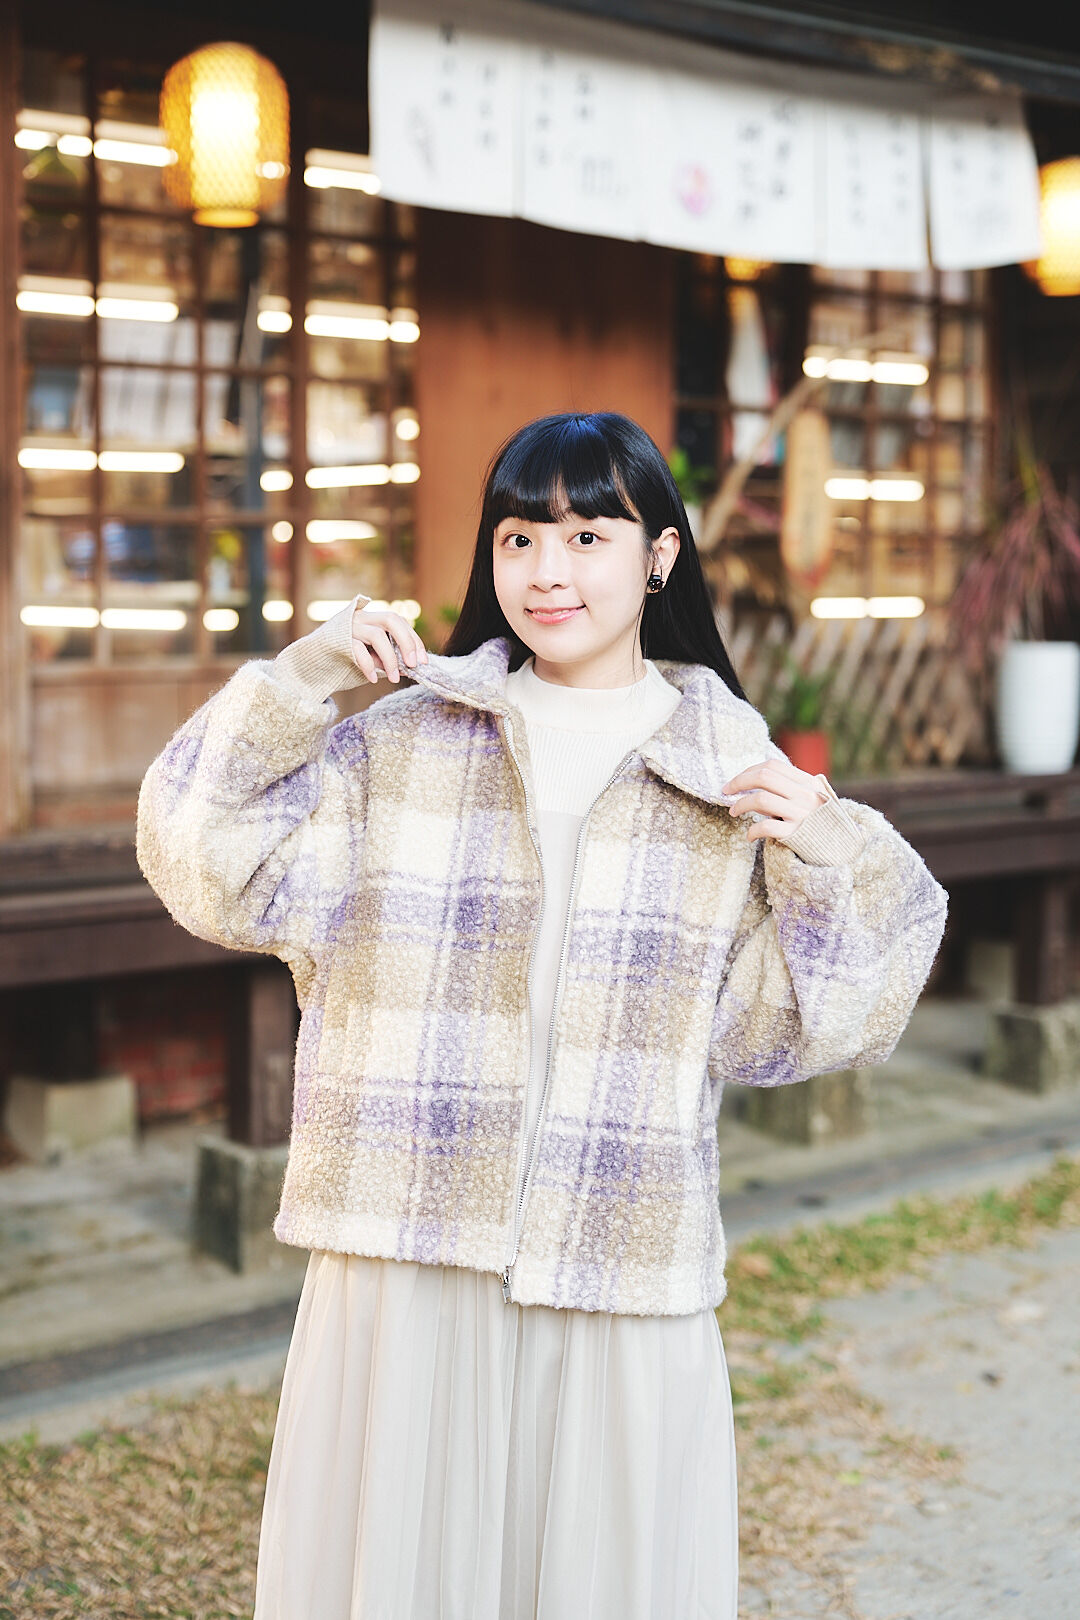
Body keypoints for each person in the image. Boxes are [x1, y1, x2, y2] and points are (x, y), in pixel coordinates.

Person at [136, 410, 949, 1619]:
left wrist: (835, 854)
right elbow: (203, 859)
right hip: (409, 1240)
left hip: (615, 1251)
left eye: (586, 535)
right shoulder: (403, 742)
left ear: (660, 555)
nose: (546, 572)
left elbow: (799, 1029)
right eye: (518, 538)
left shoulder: (727, 772)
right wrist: (304, 677)